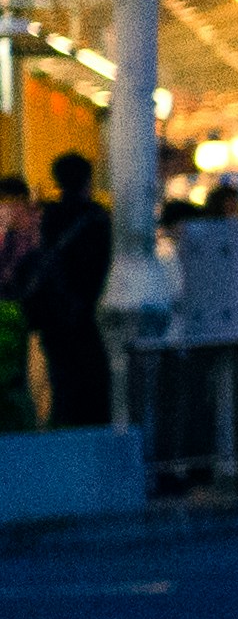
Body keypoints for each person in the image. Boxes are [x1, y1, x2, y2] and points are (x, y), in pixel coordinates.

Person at [20, 154, 113, 431]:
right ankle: (88, 446)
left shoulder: (45, 217)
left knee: (62, 382)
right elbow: (103, 265)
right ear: (88, 179)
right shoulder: (96, 218)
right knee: (93, 383)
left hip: (51, 316)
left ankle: (61, 434)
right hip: (85, 313)